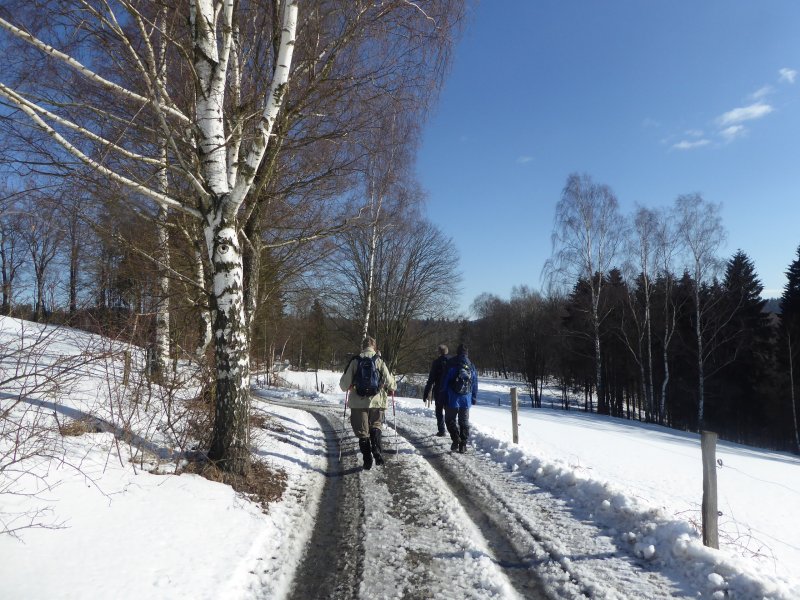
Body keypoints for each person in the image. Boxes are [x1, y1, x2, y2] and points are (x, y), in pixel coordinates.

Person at [339, 336, 397, 470]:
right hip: (376, 401)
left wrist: (350, 385)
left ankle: (367, 459)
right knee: (376, 425)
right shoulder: (379, 360)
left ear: (362, 346)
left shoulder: (355, 360)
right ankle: (376, 450)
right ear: (374, 347)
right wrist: (392, 387)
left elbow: (343, 385)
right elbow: (390, 381)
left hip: (358, 402)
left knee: (362, 432)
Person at [441, 343, 478, 454]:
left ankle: (456, 439)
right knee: (464, 422)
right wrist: (474, 397)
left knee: (449, 420)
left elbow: (444, 382)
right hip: (466, 399)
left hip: (452, 398)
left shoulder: (451, 363)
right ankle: (463, 444)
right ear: (467, 353)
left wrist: (442, 396)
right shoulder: (471, 365)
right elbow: (475, 382)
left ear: (457, 352)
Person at [422, 344, 450, 436]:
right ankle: (452, 430)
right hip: (450, 391)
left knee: (439, 411)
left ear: (439, 352)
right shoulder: (452, 362)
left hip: (439, 390)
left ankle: (442, 430)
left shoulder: (436, 363)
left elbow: (431, 380)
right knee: (449, 411)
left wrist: (426, 392)